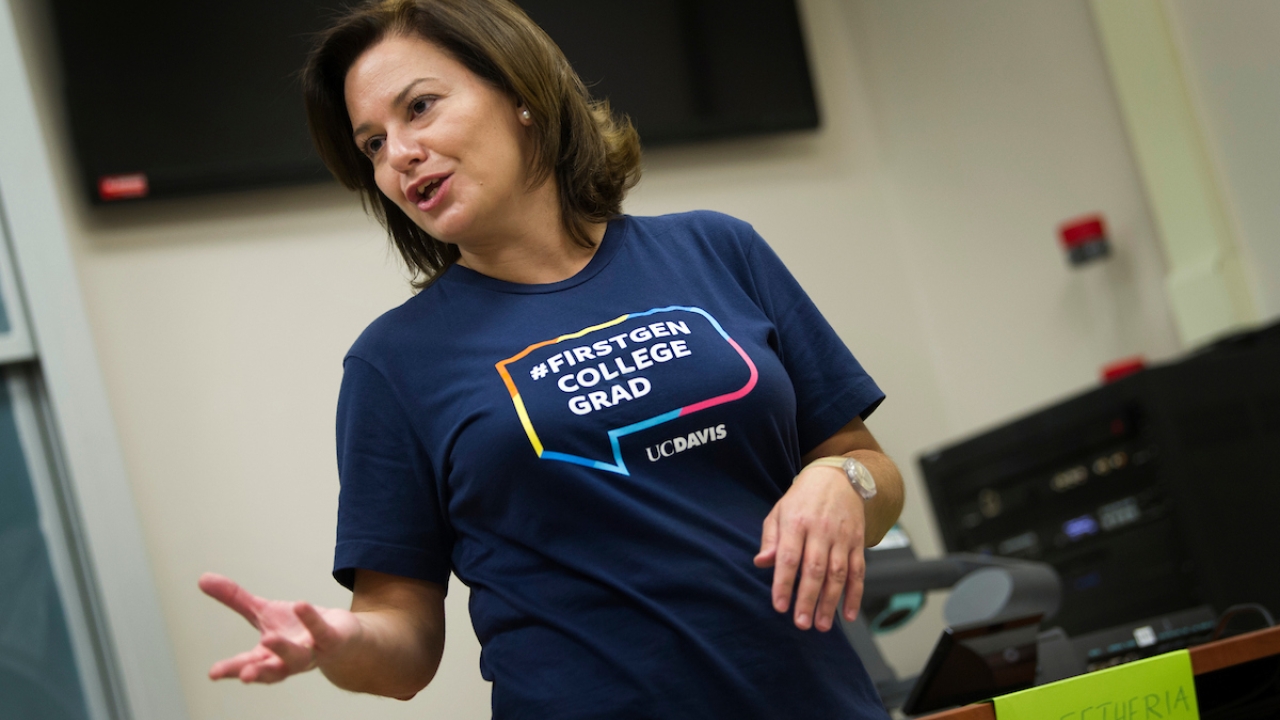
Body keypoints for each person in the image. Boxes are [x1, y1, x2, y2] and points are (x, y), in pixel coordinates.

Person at [199, 0, 905, 717]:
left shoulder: (718, 250)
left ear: (522, 97)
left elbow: (873, 470)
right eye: (372, 144)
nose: (399, 155)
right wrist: (337, 643)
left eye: (420, 108)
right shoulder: (394, 363)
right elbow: (402, 645)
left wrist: (842, 481)